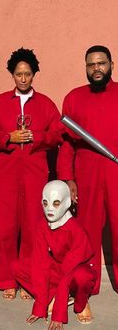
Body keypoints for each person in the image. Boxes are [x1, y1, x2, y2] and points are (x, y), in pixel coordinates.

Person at [0, 48, 63, 300]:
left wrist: (36, 137)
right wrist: (8, 137)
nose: (24, 78)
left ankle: (28, 278)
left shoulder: (46, 104)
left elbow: (57, 133)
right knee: (5, 228)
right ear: (12, 75)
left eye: (28, 74)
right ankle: (8, 279)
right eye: (19, 74)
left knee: (32, 227)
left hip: (35, 173)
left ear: (34, 74)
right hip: (6, 174)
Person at [57, 45, 118, 295]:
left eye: (101, 63)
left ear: (111, 65)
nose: (96, 69)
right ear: (85, 67)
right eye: (91, 64)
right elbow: (67, 145)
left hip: (116, 172)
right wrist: (68, 179)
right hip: (87, 175)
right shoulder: (74, 97)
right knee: (87, 231)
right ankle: (87, 284)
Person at [13, 180, 97, 329]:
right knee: (17, 267)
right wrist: (39, 307)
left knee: (82, 277)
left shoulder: (76, 230)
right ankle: (51, 297)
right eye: (45, 203)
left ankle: (80, 302)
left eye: (56, 203)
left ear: (66, 204)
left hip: (76, 271)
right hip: (58, 268)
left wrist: (58, 314)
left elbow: (68, 271)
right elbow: (40, 264)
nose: (49, 209)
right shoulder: (42, 225)